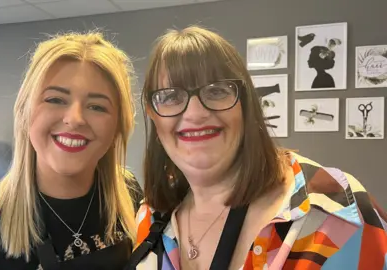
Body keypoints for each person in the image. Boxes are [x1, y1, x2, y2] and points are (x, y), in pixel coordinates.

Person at [128, 26, 387, 270]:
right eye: (171, 96)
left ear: (246, 106)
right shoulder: (151, 216)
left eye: (217, 91)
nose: (195, 113)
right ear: (153, 114)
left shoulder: (335, 209)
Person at [0, 31, 143, 270]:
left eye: (97, 106)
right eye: (56, 100)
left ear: (118, 124)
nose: (75, 119)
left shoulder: (128, 192)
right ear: (25, 111)